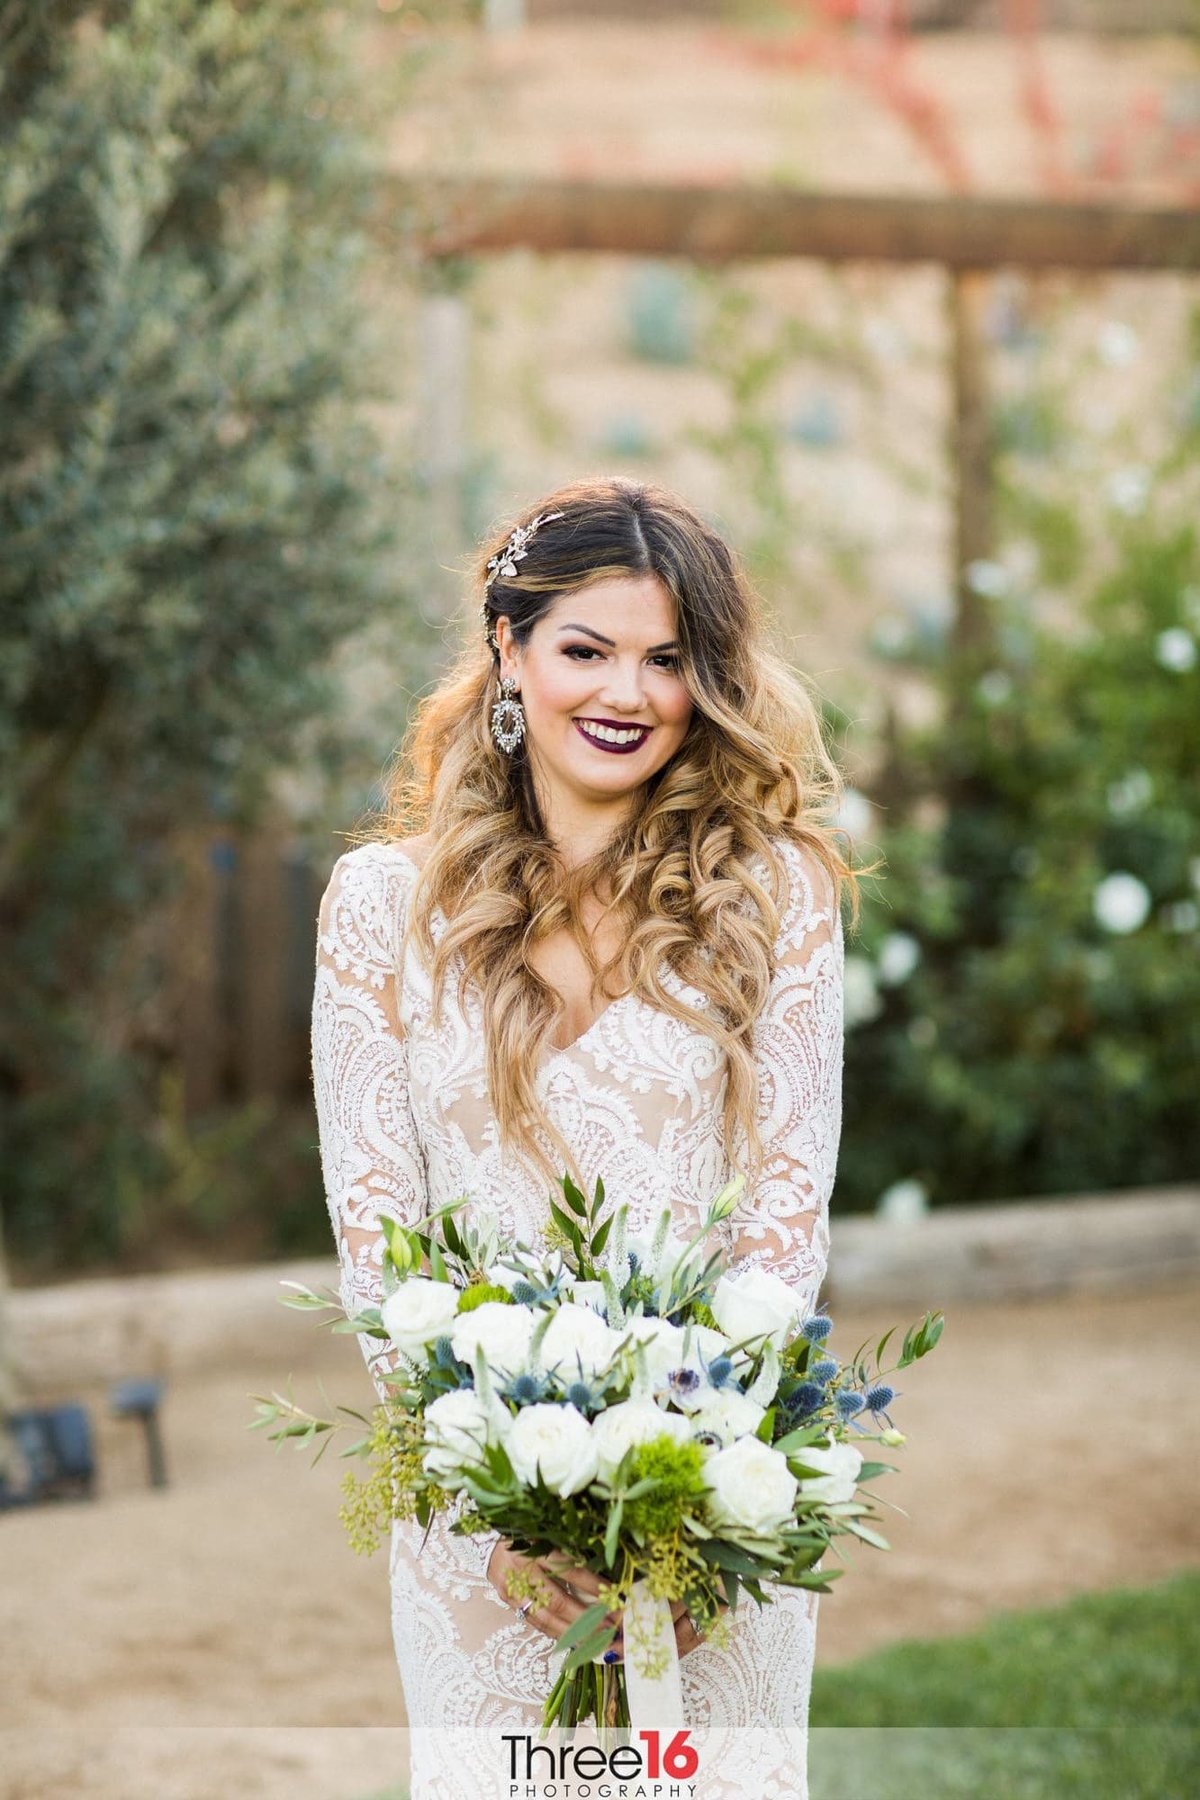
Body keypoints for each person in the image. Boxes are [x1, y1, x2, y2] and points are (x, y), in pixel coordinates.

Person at [310, 476, 858, 1798]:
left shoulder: (772, 896)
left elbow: (785, 1220)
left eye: (668, 659)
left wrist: (692, 1493)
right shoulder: (384, 909)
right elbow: (381, 1247)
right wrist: (510, 1501)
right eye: (586, 649)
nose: (627, 692)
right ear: (509, 649)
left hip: (711, 1523)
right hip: (479, 1537)